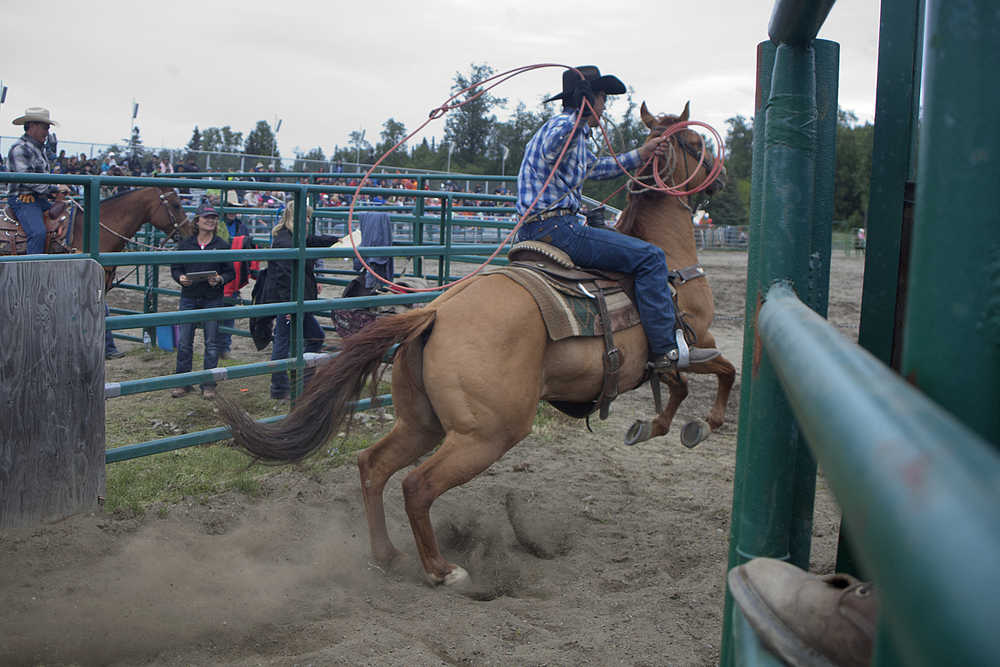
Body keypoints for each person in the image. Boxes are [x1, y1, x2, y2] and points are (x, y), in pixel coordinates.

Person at [515, 66, 719, 373]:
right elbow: (554, 144)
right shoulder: (561, 127)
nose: (605, 106)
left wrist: (643, 152)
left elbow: (596, 169)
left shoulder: (577, 137)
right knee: (650, 257)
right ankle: (665, 350)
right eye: (602, 98)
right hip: (557, 229)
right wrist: (579, 115)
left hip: (543, 227)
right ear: (590, 99)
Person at [262, 200, 339, 399]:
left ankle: (303, 382)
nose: (307, 221)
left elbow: (314, 240)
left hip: (297, 301)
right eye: (305, 217)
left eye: (308, 218)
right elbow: (284, 277)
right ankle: (280, 387)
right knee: (284, 341)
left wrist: (338, 240)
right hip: (289, 302)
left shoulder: (293, 238)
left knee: (313, 337)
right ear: (294, 218)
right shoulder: (285, 242)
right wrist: (290, 304)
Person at [169, 202, 234, 399]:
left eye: (213, 218)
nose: (210, 221)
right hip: (189, 296)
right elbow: (176, 268)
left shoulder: (222, 245)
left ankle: (208, 384)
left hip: (212, 297)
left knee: (212, 342)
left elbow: (229, 271)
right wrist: (179, 278)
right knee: (184, 342)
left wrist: (220, 279)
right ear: (198, 221)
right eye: (207, 217)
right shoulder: (185, 244)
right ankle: (183, 382)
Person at [6, 107, 70, 255]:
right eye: (45, 128)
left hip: (38, 199)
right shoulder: (20, 149)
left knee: (70, 221)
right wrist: (55, 189)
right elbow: (29, 179)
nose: (47, 132)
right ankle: (31, 273)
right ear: (32, 126)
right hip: (22, 199)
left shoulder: (38, 149)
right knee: (37, 233)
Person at [216, 191, 259, 358]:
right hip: (221, 272)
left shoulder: (241, 226)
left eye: (235, 207)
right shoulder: (220, 225)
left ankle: (224, 346)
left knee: (228, 311)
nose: (233, 211)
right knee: (218, 310)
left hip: (232, 274)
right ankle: (218, 345)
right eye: (230, 207)